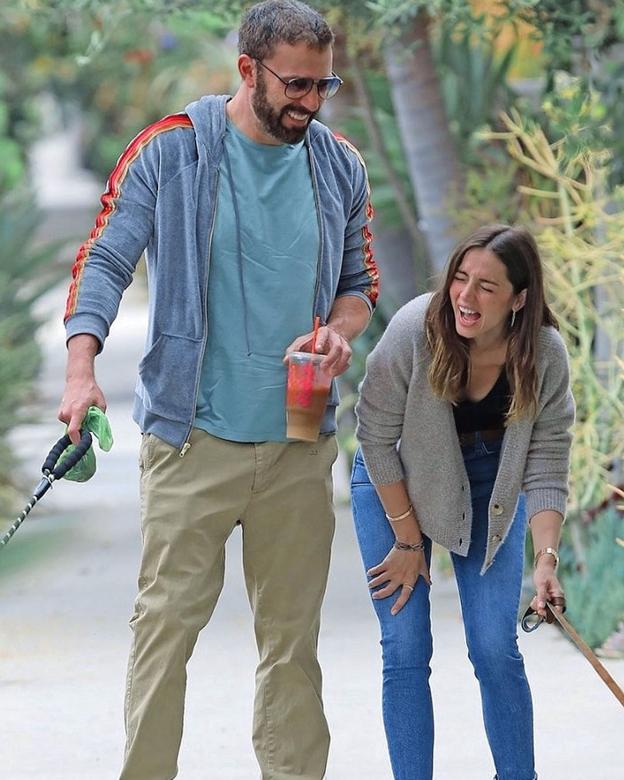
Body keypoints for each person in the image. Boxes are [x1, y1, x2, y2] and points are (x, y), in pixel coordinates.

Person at [59, 2, 378, 778]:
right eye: (295, 84)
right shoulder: (172, 151)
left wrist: (341, 328)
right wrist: (80, 372)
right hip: (192, 439)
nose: (309, 100)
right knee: (164, 633)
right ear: (248, 69)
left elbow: (358, 282)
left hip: (299, 441)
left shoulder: (338, 163)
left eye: (323, 84)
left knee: (292, 649)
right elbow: (104, 260)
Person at [351, 224, 574, 780]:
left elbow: (546, 460)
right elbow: (373, 436)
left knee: (495, 649)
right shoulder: (415, 329)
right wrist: (408, 540)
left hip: (488, 487)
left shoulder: (543, 355)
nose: (466, 298)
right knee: (404, 650)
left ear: (519, 299)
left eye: (487, 287)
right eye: (460, 278)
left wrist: (547, 559)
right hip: (392, 479)